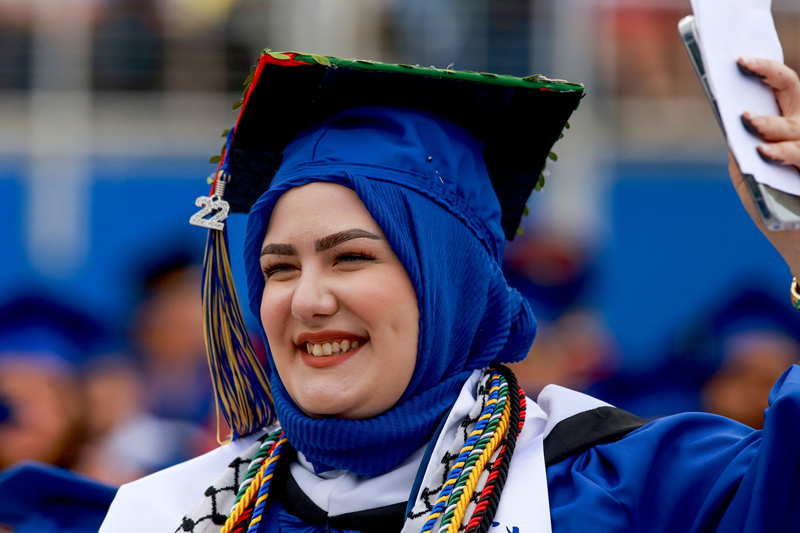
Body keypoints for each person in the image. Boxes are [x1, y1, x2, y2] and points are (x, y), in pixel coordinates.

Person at [101, 52, 800, 532]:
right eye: (280, 268)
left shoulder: (632, 486)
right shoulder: (172, 512)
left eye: (350, 258)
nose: (307, 299)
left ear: (452, 284)